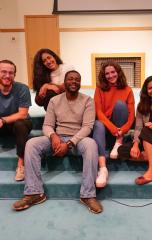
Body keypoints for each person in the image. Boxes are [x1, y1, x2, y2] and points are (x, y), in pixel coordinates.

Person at [12, 70, 103, 214]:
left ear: (80, 83)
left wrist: (69, 144)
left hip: (78, 140)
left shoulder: (88, 101)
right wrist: (54, 136)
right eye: (70, 79)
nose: (74, 82)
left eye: (77, 80)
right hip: (57, 137)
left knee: (91, 145)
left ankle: (88, 195)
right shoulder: (54, 101)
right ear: (64, 82)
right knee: (31, 144)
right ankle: (35, 193)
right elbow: (47, 125)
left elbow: (87, 127)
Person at [93, 61, 135, 188]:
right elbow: (98, 112)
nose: (110, 75)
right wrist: (112, 128)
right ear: (103, 75)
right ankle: (103, 169)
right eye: (107, 73)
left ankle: (118, 143)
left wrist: (123, 130)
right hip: (105, 132)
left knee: (121, 105)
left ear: (118, 72)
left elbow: (131, 115)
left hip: (119, 133)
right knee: (98, 124)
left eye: (113, 72)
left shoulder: (127, 90)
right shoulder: (99, 89)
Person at [0, 60, 32, 181]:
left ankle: (21, 165)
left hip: (19, 123)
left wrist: (3, 119)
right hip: (2, 125)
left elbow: (23, 114)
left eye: (11, 73)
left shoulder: (22, 88)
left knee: (20, 124)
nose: (7, 76)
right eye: (3, 72)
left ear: (14, 74)